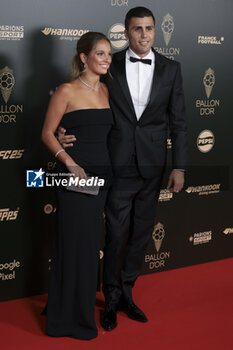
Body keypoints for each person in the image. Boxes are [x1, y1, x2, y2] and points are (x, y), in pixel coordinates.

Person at [58, 6, 187, 332]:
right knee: (115, 234)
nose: (144, 35)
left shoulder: (172, 69)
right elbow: (82, 97)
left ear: (155, 31)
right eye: (137, 29)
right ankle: (111, 298)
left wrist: (180, 167)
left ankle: (128, 292)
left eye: (149, 29)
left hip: (153, 165)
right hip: (116, 163)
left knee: (140, 234)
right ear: (126, 33)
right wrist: (64, 129)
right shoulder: (108, 64)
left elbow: (180, 123)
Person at [41, 32, 113, 340]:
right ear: (84, 57)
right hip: (76, 177)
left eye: (109, 53)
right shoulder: (66, 90)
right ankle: (69, 318)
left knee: (88, 246)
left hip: (103, 177)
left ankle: (71, 304)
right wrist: (69, 162)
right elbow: (46, 133)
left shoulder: (108, 90)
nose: (107, 58)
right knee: (75, 246)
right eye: (100, 53)